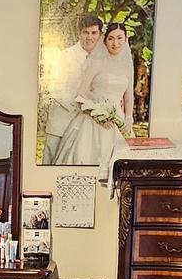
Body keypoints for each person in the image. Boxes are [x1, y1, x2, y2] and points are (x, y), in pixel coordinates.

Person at [50, 21, 135, 168]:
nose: (115, 43)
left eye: (120, 38)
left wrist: (128, 118)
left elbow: (128, 97)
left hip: (118, 121)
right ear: (105, 41)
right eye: (111, 38)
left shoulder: (127, 67)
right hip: (92, 121)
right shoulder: (96, 63)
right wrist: (97, 115)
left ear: (126, 39)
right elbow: (81, 94)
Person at [41, 12, 103, 162]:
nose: (90, 37)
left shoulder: (102, 60)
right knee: (52, 163)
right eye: (85, 33)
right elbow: (54, 88)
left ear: (100, 35)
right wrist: (82, 107)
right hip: (61, 122)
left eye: (94, 33)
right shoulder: (65, 56)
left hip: (87, 127)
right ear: (79, 33)